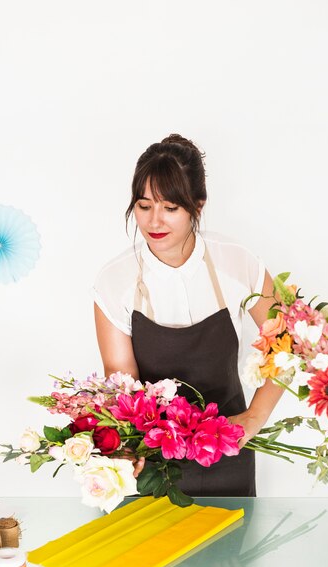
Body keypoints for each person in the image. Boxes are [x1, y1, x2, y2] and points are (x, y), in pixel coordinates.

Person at [93, 134, 284, 496]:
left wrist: (253, 419)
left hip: (228, 449)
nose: (154, 221)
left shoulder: (237, 262)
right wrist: (126, 448)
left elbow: (286, 347)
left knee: (232, 551)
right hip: (152, 460)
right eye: (144, 205)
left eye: (170, 207)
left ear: (198, 205)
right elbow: (121, 380)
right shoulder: (114, 281)